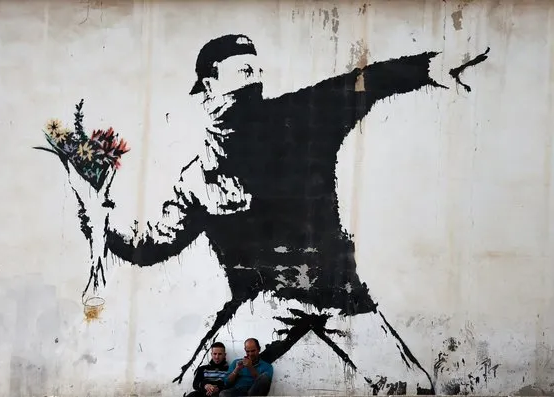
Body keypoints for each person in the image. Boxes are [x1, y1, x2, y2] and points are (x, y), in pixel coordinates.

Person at [46, 33, 489, 394]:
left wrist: (426, 68)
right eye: (242, 70)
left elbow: (363, 82)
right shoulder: (198, 176)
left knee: (413, 388)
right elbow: (150, 247)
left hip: (341, 300)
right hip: (264, 305)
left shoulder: (300, 116)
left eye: (256, 69)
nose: (254, 77)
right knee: (193, 387)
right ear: (207, 86)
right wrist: (98, 218)